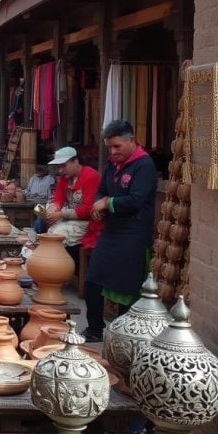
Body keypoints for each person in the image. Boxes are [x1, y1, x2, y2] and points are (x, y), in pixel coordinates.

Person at [83, 120, 157, 342]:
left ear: (131, 140)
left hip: (133, 233)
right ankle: (95, 329)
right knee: (92, 281)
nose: (113, 152)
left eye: (117, 146)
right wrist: (99, 204)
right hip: (111, 231)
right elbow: (102, 191)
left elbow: (135, 200)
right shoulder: (112, 164)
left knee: (127, 288)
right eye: (110, 147)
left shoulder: (144, 165)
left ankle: (123, 338)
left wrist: (107, 203)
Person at [39, 147, 101, 263]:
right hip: (71, 218)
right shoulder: (64, 178)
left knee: (56, 235)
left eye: (64, 166)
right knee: (43, 226)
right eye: (59, 167)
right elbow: (58, 199)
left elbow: (88, 208)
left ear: (75, 161)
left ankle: (59, 271)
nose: (61, 170)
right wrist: (52, 210)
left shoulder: (91, 176)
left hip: (88, 221)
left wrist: (61, 214)